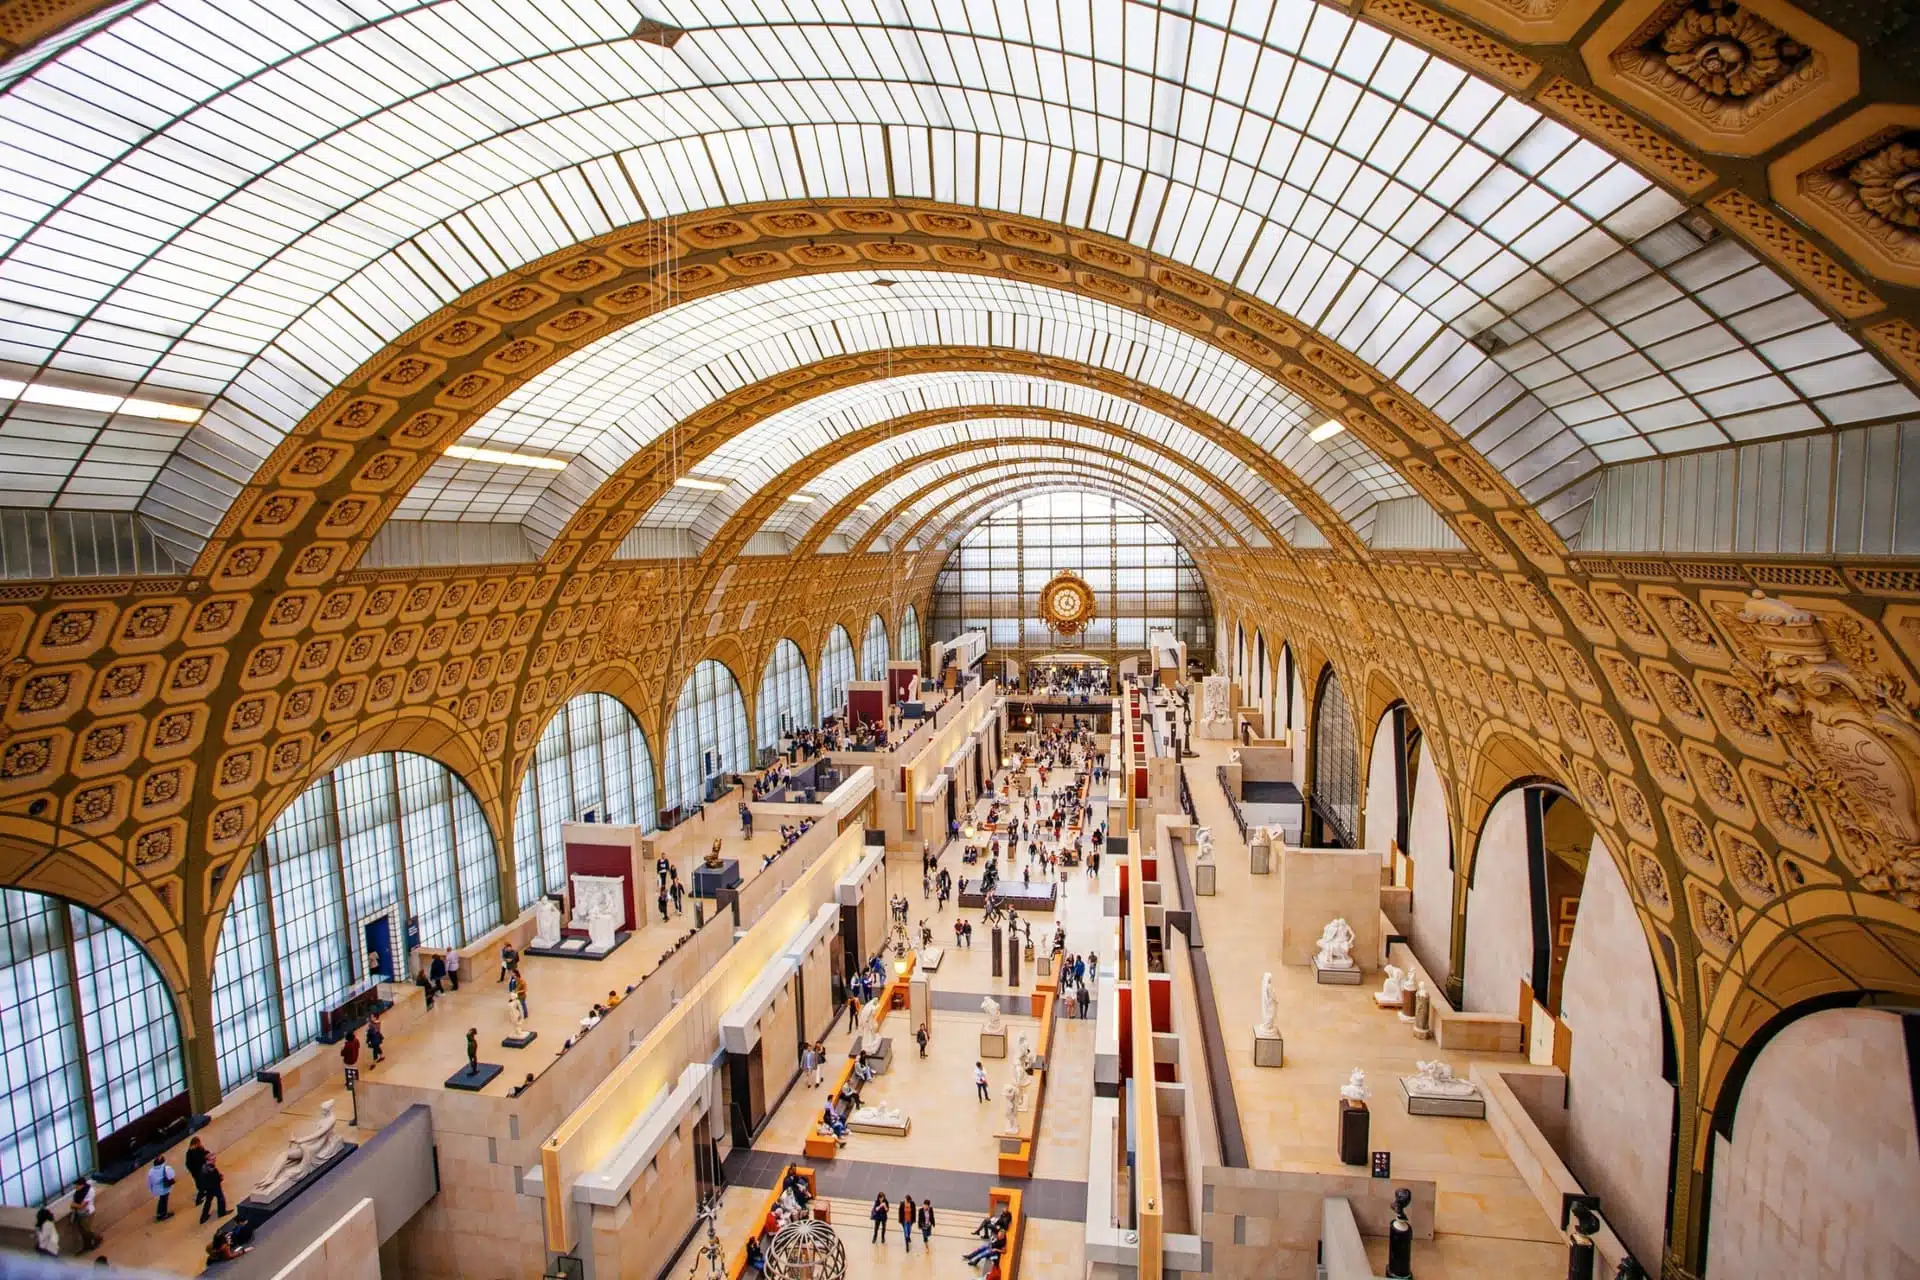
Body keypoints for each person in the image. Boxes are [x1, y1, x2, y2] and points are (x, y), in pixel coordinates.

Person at [68, 1177, 100, 1251]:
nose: (76, 1188)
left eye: (77, 1186)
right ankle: (87, 1245)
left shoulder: (89, 1191)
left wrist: (73, 1205)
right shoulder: (78, 1192)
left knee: (87, 1230)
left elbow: (81, 1205)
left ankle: (97, 1239)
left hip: (88, 1213)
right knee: (83, 1231)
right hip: (80, 1214)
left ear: (82, 1185)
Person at [197, 1152, 229, 1223]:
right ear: (207, 1160)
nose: (214, 1160)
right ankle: (222, 1213)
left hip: (208, 1188)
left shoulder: (203, 1167)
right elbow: (216, 1179)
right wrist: (221, 1178)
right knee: (221, 1199)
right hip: (215, 1187)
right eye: (213, 1159)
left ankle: (203, 1217)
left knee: (208, 1202)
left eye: (214, 1159)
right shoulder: (212, 1169)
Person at [147, 1153, 176, 1222]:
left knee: (161, 1200)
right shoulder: (166, 1168)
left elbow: (149, 1182)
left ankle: (159, 1213)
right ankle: (163, 1214)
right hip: (164, 1187)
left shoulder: (151, 1171)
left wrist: (151, 1189)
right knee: (164, 1200)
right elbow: (171, 1176)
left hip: (156, 1189)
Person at [184, 1136, 209, 1208]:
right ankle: (198, 1200)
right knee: (201, 1185)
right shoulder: (193, 1152)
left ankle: (204, 1192)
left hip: (197, 1171)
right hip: (198, 1171)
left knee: (200, 1183)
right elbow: (199, 1160)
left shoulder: (192, 1151)